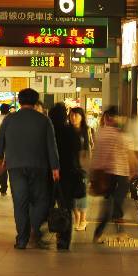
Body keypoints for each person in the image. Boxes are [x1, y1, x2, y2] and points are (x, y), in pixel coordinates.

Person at [0, 88, 60, 250]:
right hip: (39, 166)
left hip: (15, 167)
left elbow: (0, 142)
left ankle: (21, 239)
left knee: (20, 203)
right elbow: (51, 146)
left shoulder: (10, 119)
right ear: (35, 101)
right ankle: (34, 227)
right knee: (40, 201)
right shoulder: (44, 120)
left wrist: (1, 158)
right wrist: (55, 167)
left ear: (19, 101)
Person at [91, 107, 137, 243]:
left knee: (109, 205)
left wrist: (95, 172)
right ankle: (119, 233)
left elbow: (97, 155)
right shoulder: (120, 134)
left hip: (106, 174)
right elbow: (130, 154)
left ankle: (98, 234)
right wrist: (134, 169)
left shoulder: (101, 133)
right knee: (117, 204)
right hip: (120, 174)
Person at [48, 103, 85, 251]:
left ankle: (43, 231)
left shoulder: (48, 131)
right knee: (66, 207)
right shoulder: (72, 131)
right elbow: (77, 153)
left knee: (46, 204)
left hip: (50, 173)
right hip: (68, 174)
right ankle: (64, 240)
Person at [69, 106, 93, 231]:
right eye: (71, 115)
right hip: (70, 167)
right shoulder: (67, 130)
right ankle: (76, 216)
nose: (73, 117)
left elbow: (88, 150)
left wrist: (88, 168)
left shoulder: (86, 131)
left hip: (82, 167)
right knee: (71, 193)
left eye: (76, 115)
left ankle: (83, 218)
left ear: (82, 117)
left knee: (82, 193)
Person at [0, 103, 13, 196]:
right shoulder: (11, 120)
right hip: (10, 146)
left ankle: (0, 188)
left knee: (0, 165)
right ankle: (5, 188)